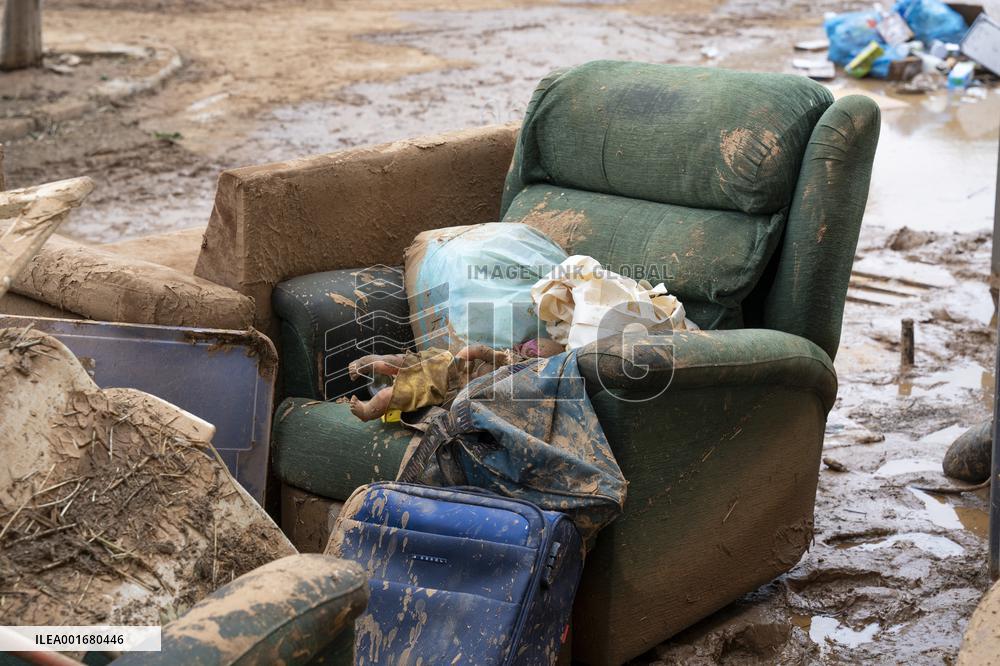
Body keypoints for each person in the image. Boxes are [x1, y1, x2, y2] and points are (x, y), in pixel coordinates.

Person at [347, 338, 564, 421]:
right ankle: (365, 362)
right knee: (393, 363)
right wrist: (496, 357)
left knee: (388, 394)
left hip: (441, 388)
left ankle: (368, 412)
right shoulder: (501, 360)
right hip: (444, 364)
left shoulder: (508, 384)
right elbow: (475, 350)